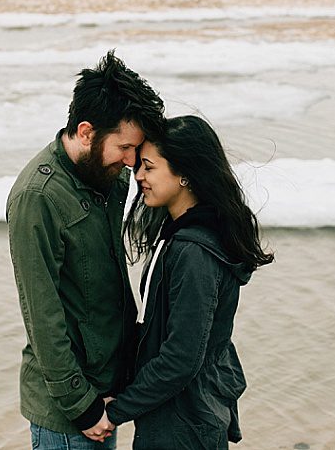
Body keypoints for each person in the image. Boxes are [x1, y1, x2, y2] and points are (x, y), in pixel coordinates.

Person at [7, 50, 165, 449]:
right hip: (69, 414)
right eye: (124, 147)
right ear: (87, 132)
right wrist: (82, 406)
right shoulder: (37, 197)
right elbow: (41, 315)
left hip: (105, 395)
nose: (132, 162)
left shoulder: (108, 175)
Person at [104, 115, 274, 449]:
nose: (138, 176)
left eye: (149, 167)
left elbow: (181, 357)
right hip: (183, 412)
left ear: (184, 174)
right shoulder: (181, 234)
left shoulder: (193, 251)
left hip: (183, 423)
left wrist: (117, 412)